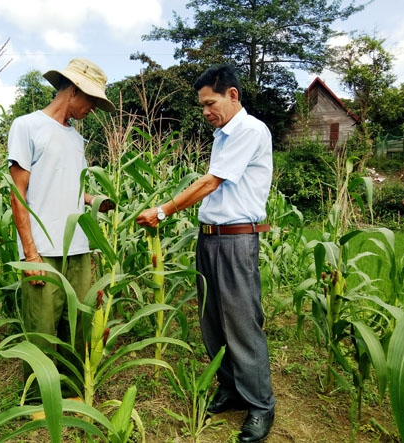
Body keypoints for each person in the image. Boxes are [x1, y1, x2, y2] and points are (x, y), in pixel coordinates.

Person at [136, 63, 276, 443]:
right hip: (211, 237)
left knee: (242, 323)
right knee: (212, 321)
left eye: (209, 103)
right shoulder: (223, 135)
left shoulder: (248, 130)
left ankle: (261, 404)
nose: (205, 112)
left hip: (235, 240)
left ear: (233, 95)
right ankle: (230, 389)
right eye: (201, 105)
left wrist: (164, 209)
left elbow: (211, 182)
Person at [8, 58, 115, 399]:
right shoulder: (27, 127)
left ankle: (68, 388)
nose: (92, 110)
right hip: (43, 249)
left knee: (78, 322)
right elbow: (18, 193)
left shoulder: (75, 140)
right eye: (91, 102)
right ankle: (39, 396)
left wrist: (95, 199)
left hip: (78, 247)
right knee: (41, 327)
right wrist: (30, 252)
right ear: (72, 91)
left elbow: (70, 187)